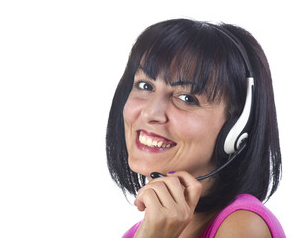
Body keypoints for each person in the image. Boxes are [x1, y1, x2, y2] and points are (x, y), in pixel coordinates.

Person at [106, 18, 285, 237]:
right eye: (145, 85)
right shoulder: (141, 231)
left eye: (186, 98)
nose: (149, 113)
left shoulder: (243, 225)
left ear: (237, 128)